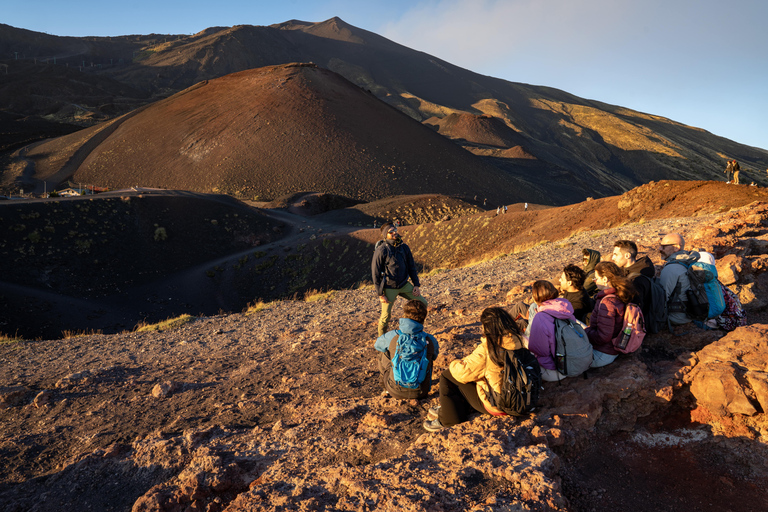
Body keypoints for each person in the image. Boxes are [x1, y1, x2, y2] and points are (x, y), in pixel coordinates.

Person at [423, 307, 526, 431]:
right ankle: (452, 407)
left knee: (447, 375)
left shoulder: (489, 348)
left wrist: (454, 362)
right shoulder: (519, 340)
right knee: (478, 375)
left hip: (501, 405)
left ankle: (449, 419)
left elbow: (462, 372)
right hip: (522, 397)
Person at [374, 300, 438, 399]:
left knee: (383, 351)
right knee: (429, 355)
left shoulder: (394, 335)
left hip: (394, 390)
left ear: (405, 315)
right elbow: (435, 355)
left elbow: (377, 345)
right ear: (423, 318)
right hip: (421, 392)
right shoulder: (430, 339)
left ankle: (385, 388)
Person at [372, 222, 427, 336]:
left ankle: (414, 330)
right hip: (389, 287)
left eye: (395, 230)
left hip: (404, 284)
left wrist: (416, 285)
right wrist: (380, 294)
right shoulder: (382, 250)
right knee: (385, 316)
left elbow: (412, 266)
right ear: (385, 234)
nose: (394, 233)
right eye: (390, 232)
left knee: (423, 303)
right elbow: (375, 273)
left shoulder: (404, 247)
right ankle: (381, 339)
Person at [585, 262, 637, 368]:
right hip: (611, 350)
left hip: (602, 354)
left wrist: (585, 332)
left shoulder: (607, 303)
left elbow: (603, 337)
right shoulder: (619, 293)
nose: (594, 281)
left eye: (596, 278)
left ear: (605, 279)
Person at [527, 280, 579, 381]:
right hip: (576, 363)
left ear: (535, 296)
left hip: (558, 370)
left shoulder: (540, 318)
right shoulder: (566, 307)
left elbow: (540, 351)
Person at [658, 233, 699, 326]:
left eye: (663, 246)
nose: (660, 249)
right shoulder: (689, 261)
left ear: (676, 248)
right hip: (692, 314)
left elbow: (662, 298)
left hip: (677, 318)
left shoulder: (672, 268)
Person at [611, 240, 655, 320]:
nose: (613, 258)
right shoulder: (624, 272)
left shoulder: (637, 280)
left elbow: (635, 310)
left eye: (616, 255)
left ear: (627, 255)